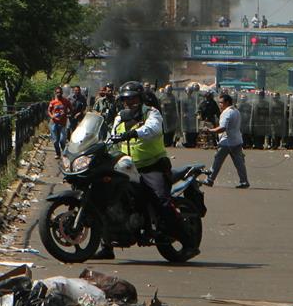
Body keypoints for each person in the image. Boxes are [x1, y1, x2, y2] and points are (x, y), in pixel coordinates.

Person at [95, 81, 191, 260]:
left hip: (151, 166)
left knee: (160, 200)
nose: (129, 102)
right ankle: (106, 246)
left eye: (132, 98)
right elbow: (111, 136)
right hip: (125, 165)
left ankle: (187, 241)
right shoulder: (120, 117)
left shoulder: (151, 113)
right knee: (105, 194)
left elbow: (153, 129)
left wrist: (135, 132)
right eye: (125, 99)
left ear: (140, 98)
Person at [202, 93, 250, 189]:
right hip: (237, 140)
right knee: (239, 162)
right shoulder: (235, 110)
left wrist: (210, 130)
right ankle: (244, 181)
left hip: (227, 142)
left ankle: (210, 179)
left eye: (221, 103)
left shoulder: (227, 112)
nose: (220, 105)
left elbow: (222, 128)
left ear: (227, 102)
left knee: (217, 160)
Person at [48, 86, 72, 159]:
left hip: (62, 123)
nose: (59, 94)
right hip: (53, 123)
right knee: (55, 141)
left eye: (60, 92)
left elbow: (71, 109)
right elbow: (49, 110)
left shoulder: (66, 101)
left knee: (62, 140)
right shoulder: (52, 102)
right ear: (55, 93)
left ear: (62, 92)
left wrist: (67, 114)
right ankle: (58, 153)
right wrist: (52, 116)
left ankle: (64, 153)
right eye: (57, 92)